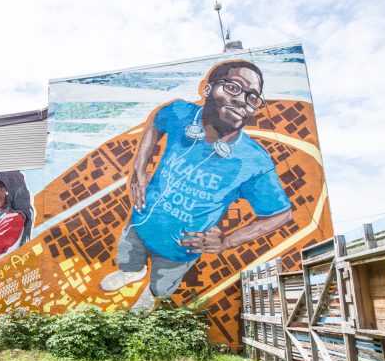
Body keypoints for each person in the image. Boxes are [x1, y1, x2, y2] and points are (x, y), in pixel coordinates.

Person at [99, 60, 293, 311]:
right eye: (234, 88)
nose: (242, 101)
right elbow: (157, 122)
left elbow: (281, 214)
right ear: (208, 89)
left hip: (180, 249)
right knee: (128, 256)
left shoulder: (254, 161)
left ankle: (150, 294)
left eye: (252, 97)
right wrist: (139, 168)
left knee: (162, 284)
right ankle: (131, 273)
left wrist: (227, 242)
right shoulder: (179, 112)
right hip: (141, 220)